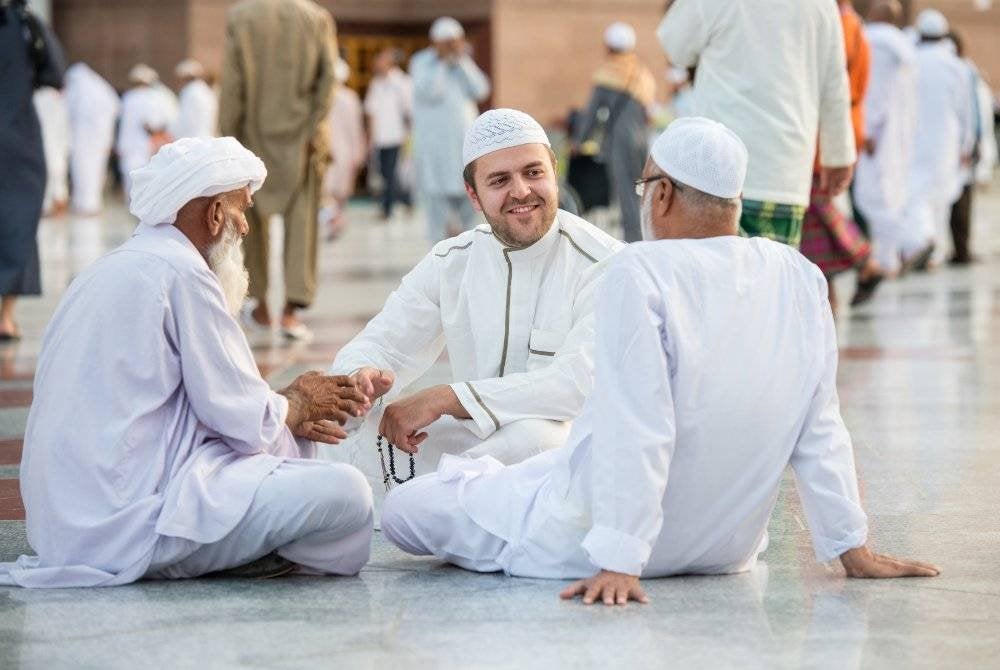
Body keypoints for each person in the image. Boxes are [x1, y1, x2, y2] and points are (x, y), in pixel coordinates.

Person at [381, 117, 940, 607]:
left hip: (591, 534)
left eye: (645, 186)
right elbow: (821, 426)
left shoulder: (641, 271)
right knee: (534, 459)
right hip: (728, 548)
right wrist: (850, 545)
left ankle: (477, 480)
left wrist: (622, 557)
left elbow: (638, 423)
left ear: (664, 194)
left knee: (406, 509)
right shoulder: (798, 275)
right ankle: (486, 476)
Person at [0, 137, 374, 588]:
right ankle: (225, 556)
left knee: (295, 454)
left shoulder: (104, 269)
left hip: (61, 530)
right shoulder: (183, 273)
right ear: (215, 215)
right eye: (242, 210)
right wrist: (295, 403)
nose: (246, 227)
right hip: (133, 526)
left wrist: (284, 410)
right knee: (347, 494)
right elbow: (242, 420)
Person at [320, 108, 622, 512]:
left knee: (539, 437)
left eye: (533, 173)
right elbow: (382, 345)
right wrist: (361, 377)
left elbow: (573, 387)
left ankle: (436, 500)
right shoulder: (453, 261)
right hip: (480, 448)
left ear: (554, 171)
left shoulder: (606, 263)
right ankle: (447, 499)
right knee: (345, 435)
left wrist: (448, 397)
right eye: (500, 180)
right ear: (474, 195)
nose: (521, 192)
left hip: (570, 453)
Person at [657, 0, 856, 248]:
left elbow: (673, 43)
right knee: (772, 281)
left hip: (713, 173)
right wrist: (839, 156)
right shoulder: (822, 5)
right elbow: (834, 82)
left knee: (710, 277)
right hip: (784, 174)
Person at [220, 0, 337, 340]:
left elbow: (232, 86)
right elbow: (329, 79)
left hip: (252, 137)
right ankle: (290, 312)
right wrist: (314, 126)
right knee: (302, 226)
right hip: (304, 139)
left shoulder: (241, 17)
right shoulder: (316, 17)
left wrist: (229, 138)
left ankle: (259, 306)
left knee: (250, 224)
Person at [799, 0, 885, 310]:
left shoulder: (839, 24)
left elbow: (835, 83)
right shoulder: (852, 24)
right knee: (817, 209)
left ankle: (865, 261)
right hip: (841, 126)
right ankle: (840, 277)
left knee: (817, 199)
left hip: (831, 131)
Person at [852, 1, 925, 278]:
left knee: (869, 199)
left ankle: (913, 241)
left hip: (879, 136)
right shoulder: (904, 45)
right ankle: (889, 259)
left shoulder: (877, 42)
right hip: (901, 134)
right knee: (891, 197)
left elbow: (875, 92)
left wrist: (868, 131)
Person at [410, 17, 491, 241]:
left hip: (464, 145)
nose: (452, 46)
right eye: (448, 42)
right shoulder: (421, 62)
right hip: (435, 147)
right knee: (437, 208)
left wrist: (461, 61)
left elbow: (481, 89)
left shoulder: (463, 62)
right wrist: (443, 62)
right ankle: (439, 255)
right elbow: (430, 92)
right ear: (435, 42)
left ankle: (469, 249)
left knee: (470, 199)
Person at [905, 9, 975, 268]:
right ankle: (932, 249)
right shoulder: (957, 66)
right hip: (947, 141)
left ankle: (924, 240)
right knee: (941, 197)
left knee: (915, 195)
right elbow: (965, 111)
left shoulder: (910, 60)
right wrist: (967, 145)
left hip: (915, 138)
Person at [573, 22, 655, 243]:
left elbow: (591, 115)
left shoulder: (607, 74)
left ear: (608, 46)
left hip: (620, 141)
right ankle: (648, 236)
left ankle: (635, 244)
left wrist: (579, 142)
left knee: (627, 195)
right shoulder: (641, 74)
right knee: (642, 192)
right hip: (642, 140)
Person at [0, 1, 46, 341]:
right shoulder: (22, 22)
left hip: (17, 138)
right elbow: (54, 70)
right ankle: (5, 317)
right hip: (17, 138)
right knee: (18, 218)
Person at [64, 62, 120, 215]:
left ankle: (85, 205)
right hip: (101, 139)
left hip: (83, 138)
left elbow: (68, 110)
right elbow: (116, 107)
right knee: (96, 170)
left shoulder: (79, 89)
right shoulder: (101, 88)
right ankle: (92, 204)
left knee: (82, 170)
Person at [365, 47, 413, 221]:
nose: (378, 63)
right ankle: (406, 200)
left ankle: (388, 209)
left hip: (396, 136)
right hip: (380, 137)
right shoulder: (376, 83)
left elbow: (409, 111)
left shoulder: (402, 82)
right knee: (385, 173)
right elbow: (370, 111)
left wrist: (410, 136)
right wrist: (369, 136)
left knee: (391, 172)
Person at [320, 58, 366, 240]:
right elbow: (356, 129)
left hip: (336, 150)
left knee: (332, 191)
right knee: (335, 191)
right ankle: (335, 220)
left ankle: (335, 221)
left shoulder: (344, 98)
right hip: (341, 150)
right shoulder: (348, 98)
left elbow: (354, 127)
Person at [117, 64, 172, 199]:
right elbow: (154, 124)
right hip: (144, 146)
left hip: (128, 145)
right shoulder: (152, 98)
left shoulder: (128, 97)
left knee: (129, 179)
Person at [33, 85, 71, 216]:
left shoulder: (37, 96)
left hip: (47, 144)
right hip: (52, 145)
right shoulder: (57, 99)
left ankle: (48, 206)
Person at [172, 58, 218, 140]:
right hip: (206, 136)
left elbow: (186, 119)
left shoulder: (190, 91)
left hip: (193, 138)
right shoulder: (204, 89)